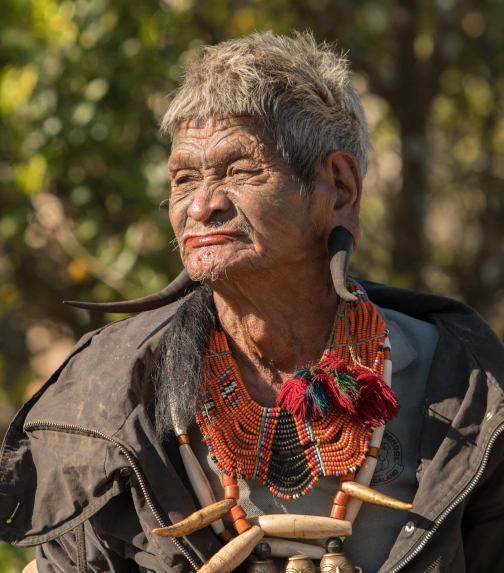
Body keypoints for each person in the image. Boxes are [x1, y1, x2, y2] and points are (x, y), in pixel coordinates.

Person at [1, 31, 504, 573]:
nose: (201, 206)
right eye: (184, 178)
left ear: (339, 188)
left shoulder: (465, 389)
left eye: (240, 171)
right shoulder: (112, 392)